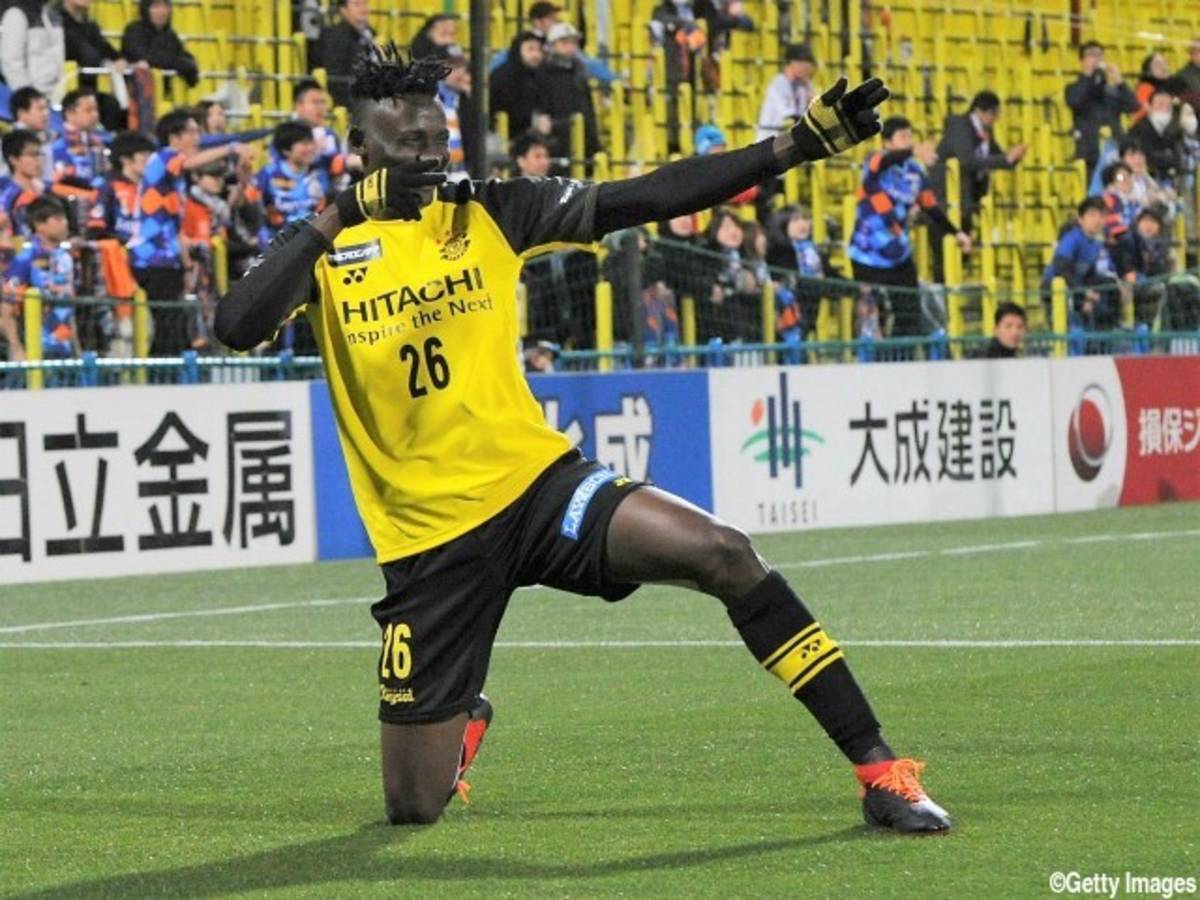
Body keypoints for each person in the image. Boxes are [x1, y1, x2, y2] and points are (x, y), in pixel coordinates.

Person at [215, 45, 949, 833]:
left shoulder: (490, 209)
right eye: (407, 144)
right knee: (412, 807)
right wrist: (339, 215)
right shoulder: (322, 248)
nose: (429, 157)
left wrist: (793, 146)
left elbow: (643, 197)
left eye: (438, 139)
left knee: (723, 551)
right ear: (361, 148)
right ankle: (463, 720)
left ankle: (881, 772)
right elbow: (236, 326)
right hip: (429, 546)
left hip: (538, 488)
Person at [130, 109, 254, 355]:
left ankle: (167, 370)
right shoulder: (163, 157)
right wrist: (231, 148)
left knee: (172, 325)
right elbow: (188, 162)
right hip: (153, 257)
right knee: (168, 325)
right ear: (174, 138)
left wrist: (242, 180)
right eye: (191, 132)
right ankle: (161, 373)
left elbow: (223, 210)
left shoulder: (174, 178)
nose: (197, 138)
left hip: (169, 258)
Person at [847, 116, 970, 340]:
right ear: (887, 142)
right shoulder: (875, 161)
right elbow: (881, 165)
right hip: (867, 255)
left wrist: (956, 232)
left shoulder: (915, 172)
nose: (909, 141)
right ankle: (870, 355)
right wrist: (913, 151)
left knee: (909, 312)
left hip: (900, 254)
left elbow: (930, 207)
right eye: (903, 137)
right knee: (872, 316)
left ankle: (903, 354)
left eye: (910, 136)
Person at [933, 90, 1026, 233]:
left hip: (967, 200)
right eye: (993, 113)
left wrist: (1013, 158)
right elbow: (967, 161)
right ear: (979, 111)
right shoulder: (960, 127)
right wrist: (1005, 159)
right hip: (947, 199)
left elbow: (997, 156)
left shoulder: (986, 130)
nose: (996, 118)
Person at [0, 195, 78, 362]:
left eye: (64, 218)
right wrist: (16, 348)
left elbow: (68, 306)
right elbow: (6, 309)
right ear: (39, 224)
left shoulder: (65, 257)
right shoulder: (25, 259)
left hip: (64, 350)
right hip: (34, 352)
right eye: (57, 219)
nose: (65, 223)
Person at [1041, 196, 1121, 330]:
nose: (1097, 220)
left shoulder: (1096, 243)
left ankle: (1112, 328)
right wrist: (1084, 296)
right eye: (1092, 215)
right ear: (1081, 219)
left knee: (1110, 285)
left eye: (1101, 216)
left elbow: (1089, 273)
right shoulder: (1072, 238)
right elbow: (1062, 269)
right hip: (1057, 288)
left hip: (1078, 286)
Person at [1065, 41, 1139, 177]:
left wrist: (1119, 82)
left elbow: (1133, 106)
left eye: (1099, 55)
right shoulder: (1072, 88)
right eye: (1091, 55)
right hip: (1090, 153)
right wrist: (1088, 77)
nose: (1096, 58)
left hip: (1115, 151)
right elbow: (1076, 101)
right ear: (1082, 61)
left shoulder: (1112, 91)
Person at [535, 23, 600, 172]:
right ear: (551, 45)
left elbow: (588, 109)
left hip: (583, 136)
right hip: (557, 139)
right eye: (564, 42)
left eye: (573, 43)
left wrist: (593, 139)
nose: (570, 47)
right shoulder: (542, 72)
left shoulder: (580, 70)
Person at [61, 0, 129, 131]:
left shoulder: (90, 25)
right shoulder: (55, 22)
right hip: (66, 85)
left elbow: (106, 49)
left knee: (112, 104)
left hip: (90, 86)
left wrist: (119, 59)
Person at [257, 121, 330, 236]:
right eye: (304, 144)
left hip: (314, 236)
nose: (311, 148)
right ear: (286, 150)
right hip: (278, 238)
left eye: (311, 143)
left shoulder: (320, 172)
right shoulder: (268, 174)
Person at [121, 0, 199, 88]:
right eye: (156, 6)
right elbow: (145, 58)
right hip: (136, 90)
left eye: (166, 6)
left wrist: (184, 66)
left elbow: (188, 62)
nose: (161, 11)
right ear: (146, 9)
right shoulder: (134, 30)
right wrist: (177, 64)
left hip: (165, 91)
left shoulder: (170, 35)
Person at [489, 31, 549, 138]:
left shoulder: (540, 76)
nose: (536, 55)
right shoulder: (502, 77)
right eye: (530, 49)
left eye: (539, 50)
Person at [0, 0, 65, 97]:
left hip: (55, 93)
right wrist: (28, 97)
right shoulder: (15, 14)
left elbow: (57, 56)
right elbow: (11, 63)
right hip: (31, 95)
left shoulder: (51, 13)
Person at [100, 129, 155, 243]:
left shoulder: (156, 188)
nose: (150, 160)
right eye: (144, 155)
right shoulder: (108, 188)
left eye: (151, 155)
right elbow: (97, 228)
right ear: (125, 159)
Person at [755, 43, 817, 142]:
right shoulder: (779, 83)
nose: (807, 67)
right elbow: (790, 117)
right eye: (804, 63)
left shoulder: (804, 85)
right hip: (769, 142)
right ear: (792, 63)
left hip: (787, 142)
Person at [320, 0, 375, 107]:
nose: (363, 8)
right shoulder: (335, 36)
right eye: (357, 4)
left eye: (365, 3)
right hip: (353, 104)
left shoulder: (371, 33)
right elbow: (336, 79)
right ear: (343, 10)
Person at [0, 131, 48, 241]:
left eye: (39, 154)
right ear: (13, 160)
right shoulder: (6, 198)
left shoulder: (47, 191)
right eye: (32, 155)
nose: (38, 160)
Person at [1127, 90, 1182, 185]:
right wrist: (1167, 157)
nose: (1164, 108)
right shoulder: (1138, 128)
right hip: (1143, 179)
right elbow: (1144, 156)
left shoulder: (1176, 129)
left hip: (1171, 179)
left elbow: (1179, 157)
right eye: (1160, 104)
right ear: (1149, 106)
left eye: (1168, 106)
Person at [6, 87, 54, 182]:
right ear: (22, 113)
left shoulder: (45, 138)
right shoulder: (8, 142)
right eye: (40, 109)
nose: (46, 113)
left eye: (46, 108)